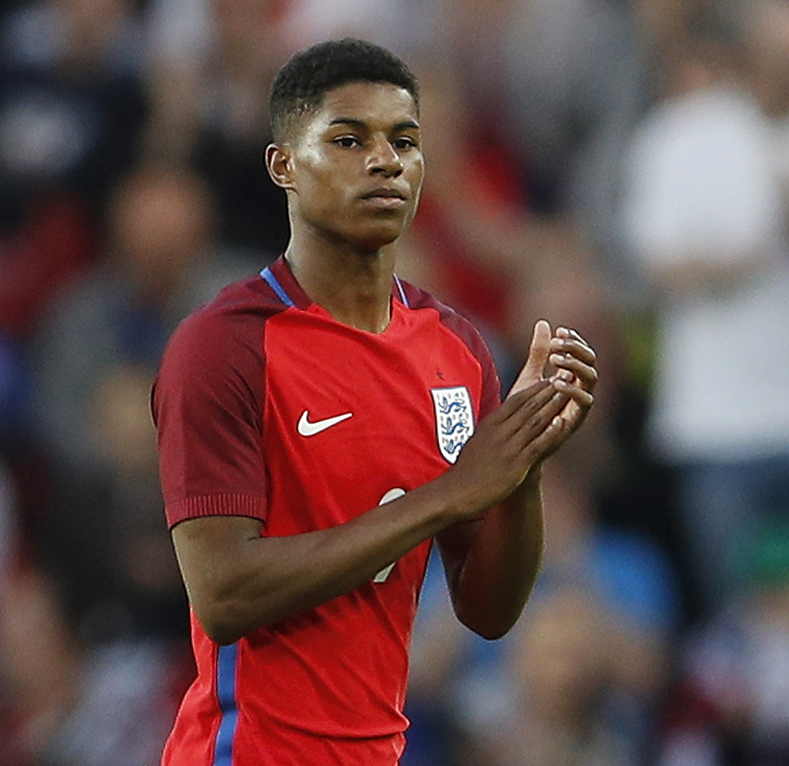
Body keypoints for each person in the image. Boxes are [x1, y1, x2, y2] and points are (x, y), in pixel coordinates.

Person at [151, 38, 598, 766]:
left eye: (406, 140)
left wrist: (524, 468)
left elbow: (488, 612)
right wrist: (451, 494)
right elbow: (224, 593)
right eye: (349, 139)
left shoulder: (456, 350)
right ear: (283, 166)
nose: (385, 160)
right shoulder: (224, 346)